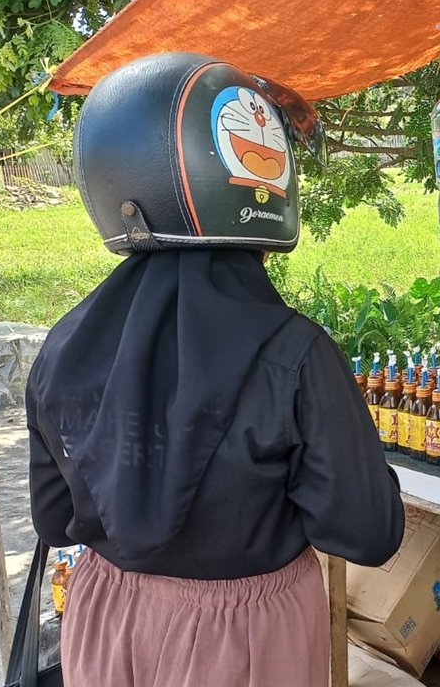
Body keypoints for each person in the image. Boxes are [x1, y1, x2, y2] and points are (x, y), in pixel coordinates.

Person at [27, 53, 405, 687]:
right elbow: (367, 533)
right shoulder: (294, 353)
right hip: (245, 639)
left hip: (102, 620)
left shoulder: (63, 344)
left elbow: (48, 517)